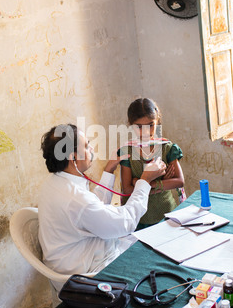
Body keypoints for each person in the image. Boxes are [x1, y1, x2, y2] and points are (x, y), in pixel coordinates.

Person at [37, 123, 166, 291]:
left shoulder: (55, 183)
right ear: (73, 158)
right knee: (153, 255)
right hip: (86, 273)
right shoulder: (76, 199)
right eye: (86, 145)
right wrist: (145, 180)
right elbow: (124, 223)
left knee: (142, 242)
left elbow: (91, 211)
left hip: (74, 256)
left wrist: (108, 170)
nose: (91, 149)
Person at [118, 98, 185, 230]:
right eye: (139, 127)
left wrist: (143, 182)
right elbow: (127, 190)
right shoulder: (127, 152)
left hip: (165, 214)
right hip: (137, 217)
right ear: (131, 125)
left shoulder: (167, 148)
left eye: (150, 125)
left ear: (157, 122)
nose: (146, 132)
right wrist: (163, 183)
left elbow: (179, 181)